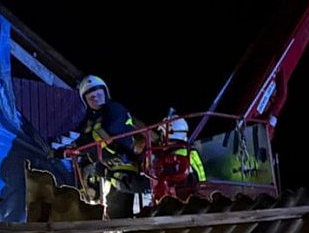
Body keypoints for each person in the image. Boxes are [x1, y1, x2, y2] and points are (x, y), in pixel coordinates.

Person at [52, 74, 149, 218]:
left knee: (117, 215)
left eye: (98, 94)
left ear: (105, 92)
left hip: (121, 166)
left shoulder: (114, 109)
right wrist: (62, 152)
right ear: (86, 101)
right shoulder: (90, 120)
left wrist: (78, 149)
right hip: (100, 170)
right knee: (98, 211)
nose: (95, 98)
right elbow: (82, 138)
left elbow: (105, 134)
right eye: (91, 97)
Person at [149, 108, 207, 202]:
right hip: (194, 197)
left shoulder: (173, 159)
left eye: (162, 134)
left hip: (178, 203)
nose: (160, 139)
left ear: (170, 133)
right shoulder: (189, 152)